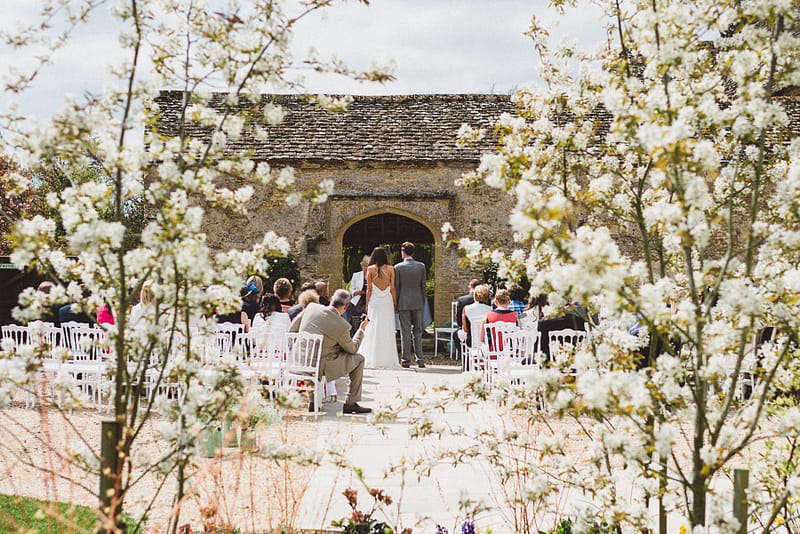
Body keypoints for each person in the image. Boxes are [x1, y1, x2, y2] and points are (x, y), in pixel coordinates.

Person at [289, 289, 372, 415]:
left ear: (332, 299)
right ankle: (351, 403)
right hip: (319, 366)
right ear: (346, 306)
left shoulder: (311, 307)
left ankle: (313, 400)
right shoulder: (342, 325)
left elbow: (292, 329)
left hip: (297, 359)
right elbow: (352, 349)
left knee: (316, 354)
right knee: (359, 359)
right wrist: (361, 329)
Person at [360, 247, 400, 370]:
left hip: (375, 302)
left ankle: (373, 357)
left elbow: (369, 289)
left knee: (373, 327)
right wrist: (395, 304)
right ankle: (387, 358)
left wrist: (367, 304)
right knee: (387, 327)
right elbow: (393, 288)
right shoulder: (391, 269)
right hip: (387, 301)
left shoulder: (370, 269)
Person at [394, 241, 428, 368]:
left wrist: (396, 303)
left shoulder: (398, 267)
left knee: (405, 332)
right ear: (413, 252)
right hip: (417, 301)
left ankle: (405, 360)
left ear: (403, 252)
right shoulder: (421, 266)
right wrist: (422, 301)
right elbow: (423, 286)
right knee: (418, 331)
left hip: (403, 301)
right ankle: (420, 360)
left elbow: (396, 287)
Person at [452, 278, 480, 360]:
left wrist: (462, 326)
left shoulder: (462, 300)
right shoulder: (487, 300)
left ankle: (464, 357)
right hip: (481, 331)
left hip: (467, 331)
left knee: (455, 335)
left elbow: (459, 319)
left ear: (470, 287)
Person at [462, 285, 492, 352]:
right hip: (487, 343)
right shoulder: (490, 310)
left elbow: (465, 329)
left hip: (472, 342)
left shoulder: (466, 309)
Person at [346, 255, 370, 332]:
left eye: (368, 266)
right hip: (358, 301)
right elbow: (351, 290)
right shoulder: (356, 275)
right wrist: (357, 292)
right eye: (365, 266)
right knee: (356, 318)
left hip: (369, 300)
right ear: (362, 266)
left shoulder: (373, 275)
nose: (366, 268)